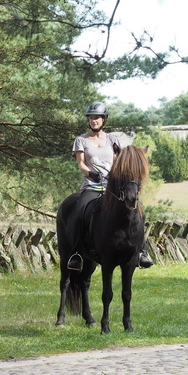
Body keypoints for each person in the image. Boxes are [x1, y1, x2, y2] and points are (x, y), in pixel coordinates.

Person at [67, 102, 154, 271]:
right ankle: (76, 254)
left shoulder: (113, 140)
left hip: (112, 188)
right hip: (91, 186)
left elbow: (119, 162)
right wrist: (90, 173)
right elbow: (81, 164)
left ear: (104, 120)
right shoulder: (81, 140)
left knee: (139, 212)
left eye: (97, 118)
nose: (94, 121)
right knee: (80, 213)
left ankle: (142, 252)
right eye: (91, 118)